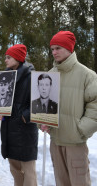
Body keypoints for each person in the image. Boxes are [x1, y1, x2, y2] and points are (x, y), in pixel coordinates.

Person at [41, 31, 97, 186]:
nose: (54, 52)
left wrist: (80, 129)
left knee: (80, 183)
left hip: (75, 144)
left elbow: (95, 106)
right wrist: (43, 121)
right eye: (52, 49)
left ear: (69, 48)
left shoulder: (87, 75)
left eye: (58, 48)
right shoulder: (49, 75)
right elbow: (44, 104)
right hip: (56, 142)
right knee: (61, 182)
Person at [0, 44, 38, 186]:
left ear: (18, 58)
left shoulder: (32, 76)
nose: (5, 61)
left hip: (25, 131)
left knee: (28, 171)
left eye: (8, 57)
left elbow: (38, 103)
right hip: (9, 130)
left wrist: (24, 116)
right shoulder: (5, 77)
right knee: (15, 170)